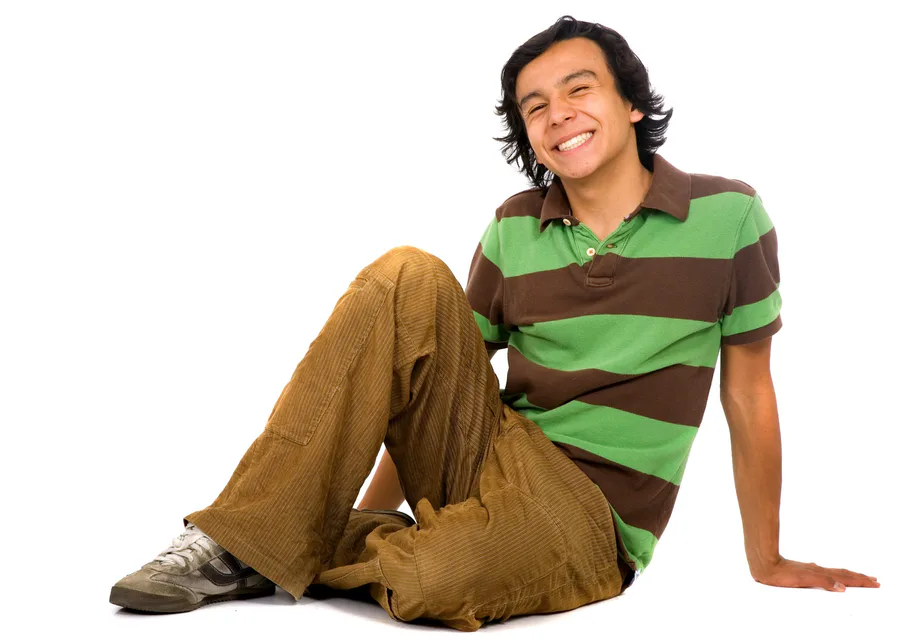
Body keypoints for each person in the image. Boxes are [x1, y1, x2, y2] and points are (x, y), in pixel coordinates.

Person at [109, 15, 879, 630]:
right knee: (405, 274)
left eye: (579, 89)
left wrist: (767, 559)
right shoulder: (514, 225)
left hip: (591, 518)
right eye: (534, 106)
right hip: (491, 452)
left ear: (632, 104)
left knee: (429, 583)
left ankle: (275, 535)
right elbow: (418, 381)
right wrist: (378, 507)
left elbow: (748, 394)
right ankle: (238, 539)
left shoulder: (728, 217)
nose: (557, 113)